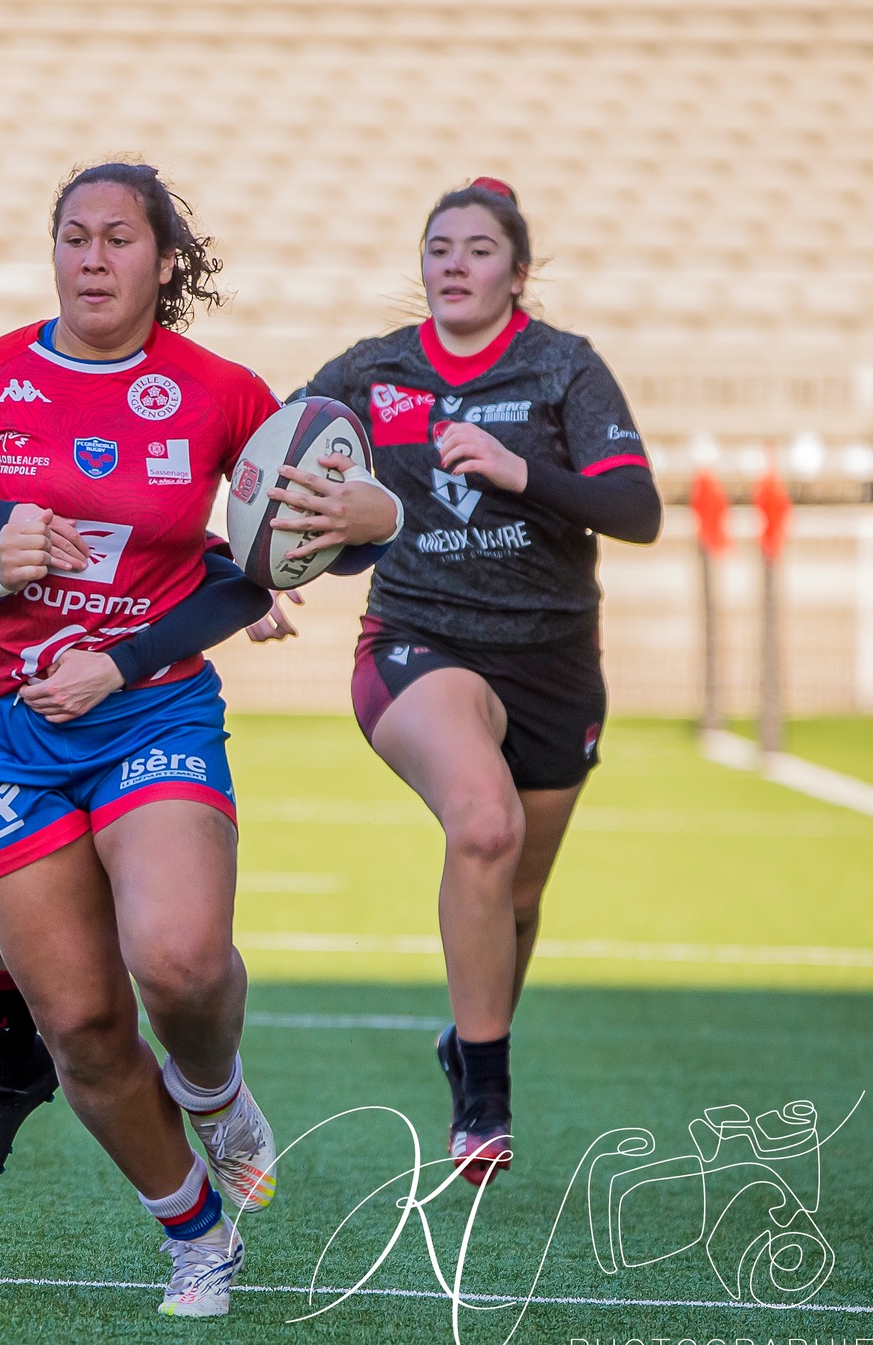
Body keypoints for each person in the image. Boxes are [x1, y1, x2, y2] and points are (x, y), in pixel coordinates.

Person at [0, 162, 397, 1317]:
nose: (91, 257)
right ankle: (197, 1237)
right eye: (72, 236)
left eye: (117, 237)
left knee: (179, 961)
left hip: (150, 710)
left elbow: (302, 540)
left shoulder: (218, 392)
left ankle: (213, 1090)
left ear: (163, 262)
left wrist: (379, 517)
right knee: (77, 1021)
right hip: (1, 730)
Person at [296, 177, 661, 1185]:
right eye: (438, 247)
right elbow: (272, 466)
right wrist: (264, 571)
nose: (453, 264)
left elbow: (636, 511)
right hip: (416, 641)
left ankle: (466, 1037)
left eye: (478, 248)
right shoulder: (373, 370)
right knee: (483, 827)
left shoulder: (562, 366)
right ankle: (484, 1101)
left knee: (517, 896)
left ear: (517, 271)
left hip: (553, 662)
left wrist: (516, 470)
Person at [0, 509, 276, 1195]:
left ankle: (210, 1095)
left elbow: (204, 562)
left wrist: (247, 583)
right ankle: (13, 1068)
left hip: (127, 722)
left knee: (160, 949)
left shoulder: (110, 492)